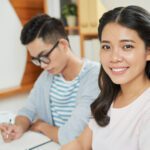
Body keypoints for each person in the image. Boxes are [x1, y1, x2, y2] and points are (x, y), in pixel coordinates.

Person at [0, 14, 100, 145]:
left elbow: (73, 135)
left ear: (63, 45)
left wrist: (42, 126)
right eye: (36, 60)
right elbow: (27, 111)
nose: (42, 65)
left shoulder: (95, 76)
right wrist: (18, 127)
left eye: (44, 56)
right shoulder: (46, 77)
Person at [61, 5, 150, 150]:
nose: (114, 58)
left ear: (148, 52)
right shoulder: (109, 97)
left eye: (127, 46)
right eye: (106, 47)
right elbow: (81, 144)